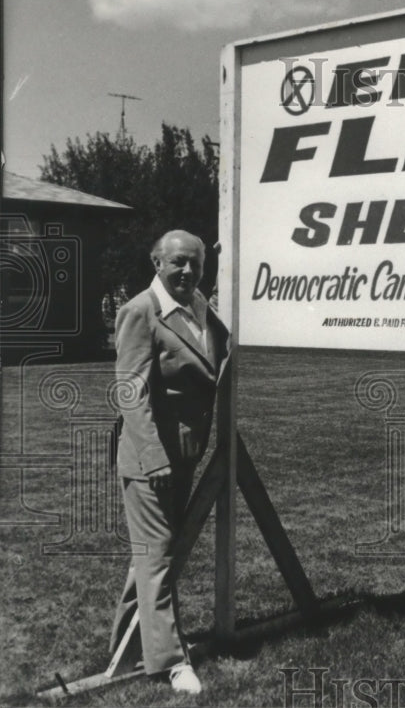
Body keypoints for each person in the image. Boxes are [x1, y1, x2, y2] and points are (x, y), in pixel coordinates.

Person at [109, 230, 229, 694]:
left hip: (186, 454)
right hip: (149, 460)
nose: (187, 271)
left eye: (196, 263)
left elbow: (216, 349)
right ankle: (172, 663)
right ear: (156, 262)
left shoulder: (198, 307)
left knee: (151, 554)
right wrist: (153, 458)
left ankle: (124, 647)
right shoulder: (141, 311)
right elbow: (130, 393)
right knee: (157, 555)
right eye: (178, 262)